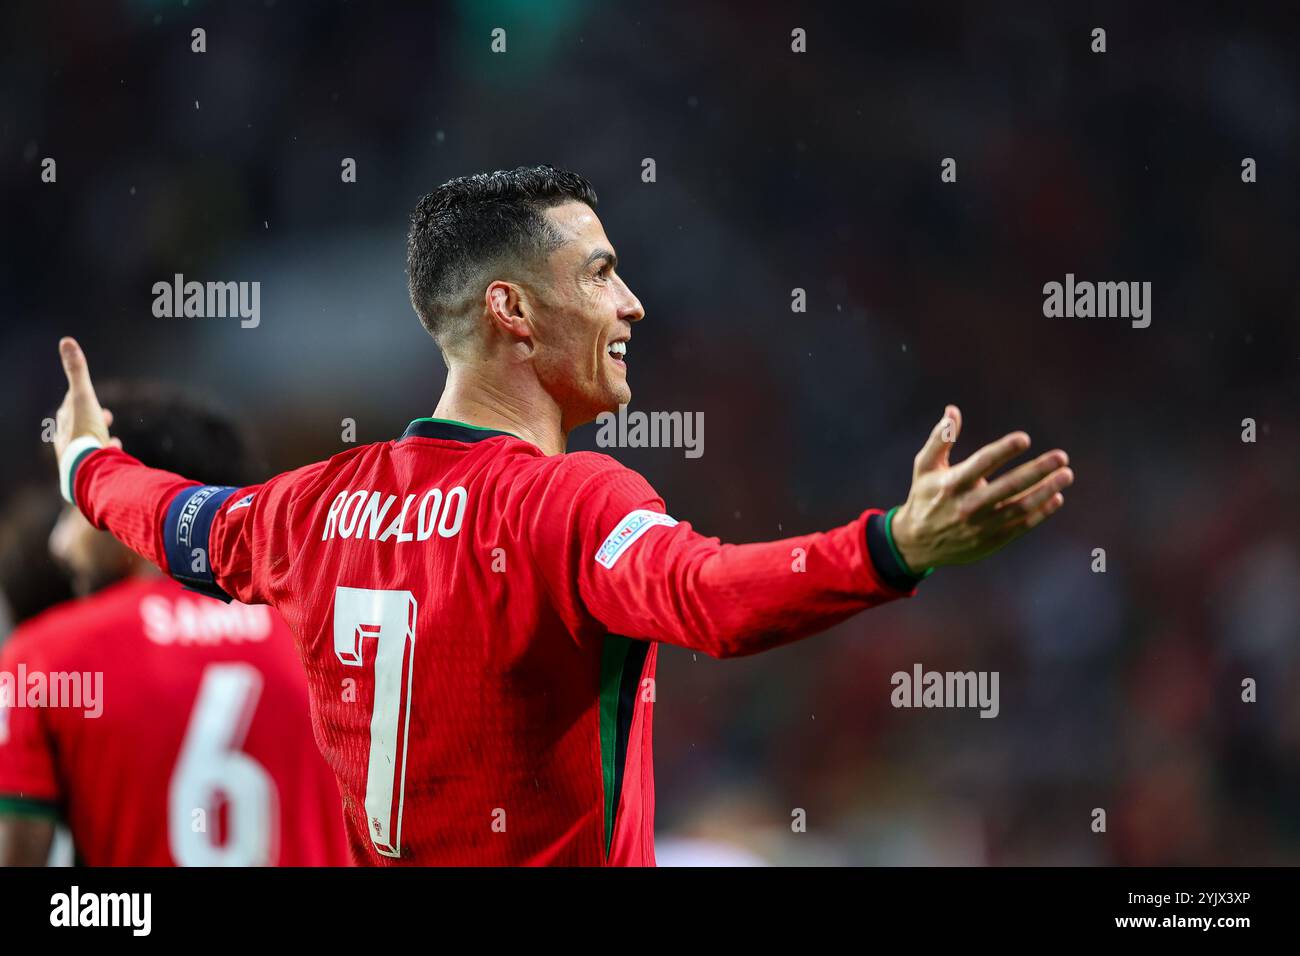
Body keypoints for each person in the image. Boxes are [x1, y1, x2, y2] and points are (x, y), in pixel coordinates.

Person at [48, 164, 1073, 865]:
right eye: (599, 272)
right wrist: (891, 545)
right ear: (511, 309)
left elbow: (172, 515)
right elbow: (710, 596)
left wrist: (87, 460)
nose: (630, 303)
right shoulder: (569, 503)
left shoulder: (308, 506)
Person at [0, 383, 350, 866]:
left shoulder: (41, 660)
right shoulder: (335, 640)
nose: (60, 543)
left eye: (76, 508)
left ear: (130, 506)